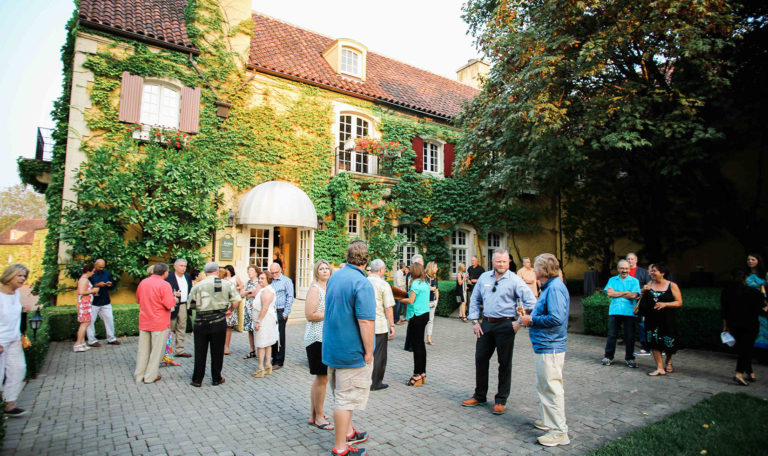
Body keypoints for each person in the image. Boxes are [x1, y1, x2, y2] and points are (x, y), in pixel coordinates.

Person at [462, 249, 536, 415]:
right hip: (486, 324)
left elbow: (531, 301)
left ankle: (501, 399)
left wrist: (519, 322)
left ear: (508, 262)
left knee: (504, 363)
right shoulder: (484, 278)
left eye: (504, 262)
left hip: (506, 325)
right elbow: (475, 299)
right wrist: (475, 321)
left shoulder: (515, 280)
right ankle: (480, 396)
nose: (501, 264)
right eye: (498, 261)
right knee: (480, 359)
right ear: (493, 262)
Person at [323, 241, 375, 456]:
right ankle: (341, 448)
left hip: (332, 346)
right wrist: (369, 350)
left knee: (342, 393)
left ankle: (349, 432)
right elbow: (366, 322)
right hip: (351, 350)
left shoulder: (336, 276)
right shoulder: (362, 283)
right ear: (366, 259)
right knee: (344, 399)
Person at [519, 254, 571, 447]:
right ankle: (548, 421)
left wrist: (531, 320)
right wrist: (530, 315)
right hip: (545, 345)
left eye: (536, 267)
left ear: (543, 270)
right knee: (544, 386)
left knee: (551, 388)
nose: (533, 269)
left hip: (551, 346)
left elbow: (557, 318)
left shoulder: (555, 288)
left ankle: (559, 431)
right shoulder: (550, 287)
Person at [187, 262, 241, 387]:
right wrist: (230, 310)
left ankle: (197, 379)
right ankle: (216, 377)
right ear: (217, 271)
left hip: (201, 321)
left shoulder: (198, 285)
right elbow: (237, 300)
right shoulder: (226, 284)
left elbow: (191, 305)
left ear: (205, 273)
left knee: (200, 350)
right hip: (218, 320)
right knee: (217, 351)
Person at [721, 269, 768, 385]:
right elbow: (761, 310)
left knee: (744, 348)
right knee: (746, 349)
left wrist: (725, 326)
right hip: (750, 323)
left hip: (734, 323)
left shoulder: (726, 291)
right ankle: (739, 373)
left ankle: (750, 372)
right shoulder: (754, 292)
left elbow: (724, 310)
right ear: (745, 278)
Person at [637, 263, 683, 377]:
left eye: (654, 271)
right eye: (651, 271)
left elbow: (679, 302)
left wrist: (665, 304)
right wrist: (643, 291)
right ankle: (660, 367)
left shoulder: (672, 285)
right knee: (654, 343)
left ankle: (669, 361)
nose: (651, 273)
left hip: (667, 319)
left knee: (668, 343)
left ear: (662, 273)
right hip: (651, 319)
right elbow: (642, 300)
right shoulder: (649, 284)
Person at [134, 263, 176, 384]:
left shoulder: (143, 282)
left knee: (143, 350)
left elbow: (138, 299)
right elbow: (169, 304)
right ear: (165, 272)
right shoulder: (165, 284)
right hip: (159, 322)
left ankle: (139, 375)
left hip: (145, 320)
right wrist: (174, 299)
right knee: (157, 352)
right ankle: (150, 376)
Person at [304, 260, 334, 429]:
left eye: (326, 268)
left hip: (326, 337)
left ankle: (313, 414)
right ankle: (320, 417)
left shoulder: (327, 287)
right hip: (316, 338)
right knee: (322, 377)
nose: (324, 271)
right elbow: (310, 315)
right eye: (321, 269)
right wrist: (330, 313)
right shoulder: (315, 289)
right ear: (316, 272)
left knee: (320, 377)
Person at [0, 264, 31, 417]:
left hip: (14, 338)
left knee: (18, 369)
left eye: (24, 276)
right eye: (19, 276)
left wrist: (22, 310)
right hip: (1, 340)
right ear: (9, 276)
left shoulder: (16, 294)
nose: (22, 279)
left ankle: (9, 404)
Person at [600, 260, 641, 368]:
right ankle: (608, 357)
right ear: (618, 269)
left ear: (630, 269)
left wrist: (616, 294)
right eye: (622, 268)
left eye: (626, 268)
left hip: (629, 312)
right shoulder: (612, 280)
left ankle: (630, 358)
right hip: (615, 311)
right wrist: (625, 292)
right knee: (612, 335)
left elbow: (634, 296)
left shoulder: (634, 281)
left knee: (629, 336)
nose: (624, 270)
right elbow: (609, 293)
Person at [398, 262, 430, 387]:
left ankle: (416, 374)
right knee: (421, 345)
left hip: (416, 315)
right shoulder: (425, 283)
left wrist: (398, 298)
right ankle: (422, 373)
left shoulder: (416, 283)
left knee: (416, 346)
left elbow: (411, 300)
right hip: (424, 314)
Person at [368, 259, 396, 391]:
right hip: (378, 325)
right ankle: (376, 382)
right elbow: (388, 308)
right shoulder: (383, 285)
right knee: (379, 355)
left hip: (364, 324)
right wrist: (392, 325)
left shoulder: (364, 282)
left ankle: (365, 380)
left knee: (366, 353)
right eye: (384, 269)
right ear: (380, 270)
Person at [87, 259, 120, 347]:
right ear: (95, 265)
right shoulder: (90, 274)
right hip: (93, 302)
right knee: (90, 321)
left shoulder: (106, 273)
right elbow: (87, 286)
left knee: (109, 319)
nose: (101, 268)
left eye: (103, 267)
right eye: (99, 267)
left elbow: (111, 283)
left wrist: (110, 284)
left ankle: (111, 338)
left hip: (105, 300)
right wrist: (97, 285)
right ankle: (91, 340)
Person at [252, 270, 278, 378]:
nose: (260, 280)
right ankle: (267, 365)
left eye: (262, 278)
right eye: (259, 278)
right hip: (266, 319)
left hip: (264, 320)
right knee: (267, 343)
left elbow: (265, 307)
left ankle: (260, 368)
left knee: (261, 344)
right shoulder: (265, 290)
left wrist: (258, 321)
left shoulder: (267, 291)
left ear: (268, 279)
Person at [165, 258, 193, 358]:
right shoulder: (169, 277)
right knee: (170, 328)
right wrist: (172, 293)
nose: (183, 268)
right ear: (175, 266)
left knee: (182, 327)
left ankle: (180, 350)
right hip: (172, 305)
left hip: (184, 305)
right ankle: (166, 351)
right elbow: (163, 290)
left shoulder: (187, 277)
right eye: (181, 266)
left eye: (185, 266)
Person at [270, 262, 294, 369]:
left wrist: (285, 313)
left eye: (276, 272)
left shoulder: (286, 281)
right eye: (272, 272)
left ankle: (279, 361)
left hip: (280, 311)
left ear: (280, 271)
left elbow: (290, 297)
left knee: (280, 337)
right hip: (271, 312)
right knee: (272, 336)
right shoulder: (270, 280)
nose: (274, 274)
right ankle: (273, 358)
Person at [627, 253, 651, 355]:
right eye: (628, 259)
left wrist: (640, 292)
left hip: (639, 301)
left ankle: (645, 346)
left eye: (632, 259)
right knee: (628, 322)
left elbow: (649, 284)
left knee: (641, 323)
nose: (630, 261)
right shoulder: (624, 271)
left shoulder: (643, 272)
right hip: (627, 301)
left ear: (636, 260)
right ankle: (627, 341)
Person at [74, 263, 99, 352]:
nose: (93, 273)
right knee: (84, 324)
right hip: (84, 304)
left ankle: (82, 343)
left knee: (86, 322)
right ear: (88, 271)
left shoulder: (85, 279)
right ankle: (78, 344)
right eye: (92, 271)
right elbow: (81, 292)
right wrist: (93, 291)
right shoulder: (84, 280)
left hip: (86, 304)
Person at [403, 254, 424, 352]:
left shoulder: (410, 273)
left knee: (411, 324)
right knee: (414, 324)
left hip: (412, 300)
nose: (423, 264)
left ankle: (408, 345)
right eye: (422, 262)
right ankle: (411, 345)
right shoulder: (413, 274)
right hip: (414, 301)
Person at [221, 265, 242, 355]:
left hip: (231, 302)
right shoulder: (222, 278)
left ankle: (226, 346)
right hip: (222, 302)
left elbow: (241, 286)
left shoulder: (235, 277)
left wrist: (234, 288)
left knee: (228, 326)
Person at [241, 265, 261, 360]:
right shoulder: (248, 282)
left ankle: (259, 350)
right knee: (250, 329)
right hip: (248, 308)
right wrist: (249, 291)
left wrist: (247, 293)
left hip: (255, 307)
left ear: (256, 272)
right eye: (248, 271)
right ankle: (252, 350)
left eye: (251, 271)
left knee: (257, 329)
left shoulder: (259, 282)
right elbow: (241, 294)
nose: (249, 272)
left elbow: (257, 294)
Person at [425, 261, 440, 345]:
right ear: (431, 268)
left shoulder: (435, 277)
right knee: (423, 320)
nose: (437, 269)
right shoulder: (424, 277)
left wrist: (436, 301)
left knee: (431, 320)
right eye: (435, 267)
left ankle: (429, 339)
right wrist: (430, 288)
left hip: (432, 301)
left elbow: (437, 290)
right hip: (424, 302)